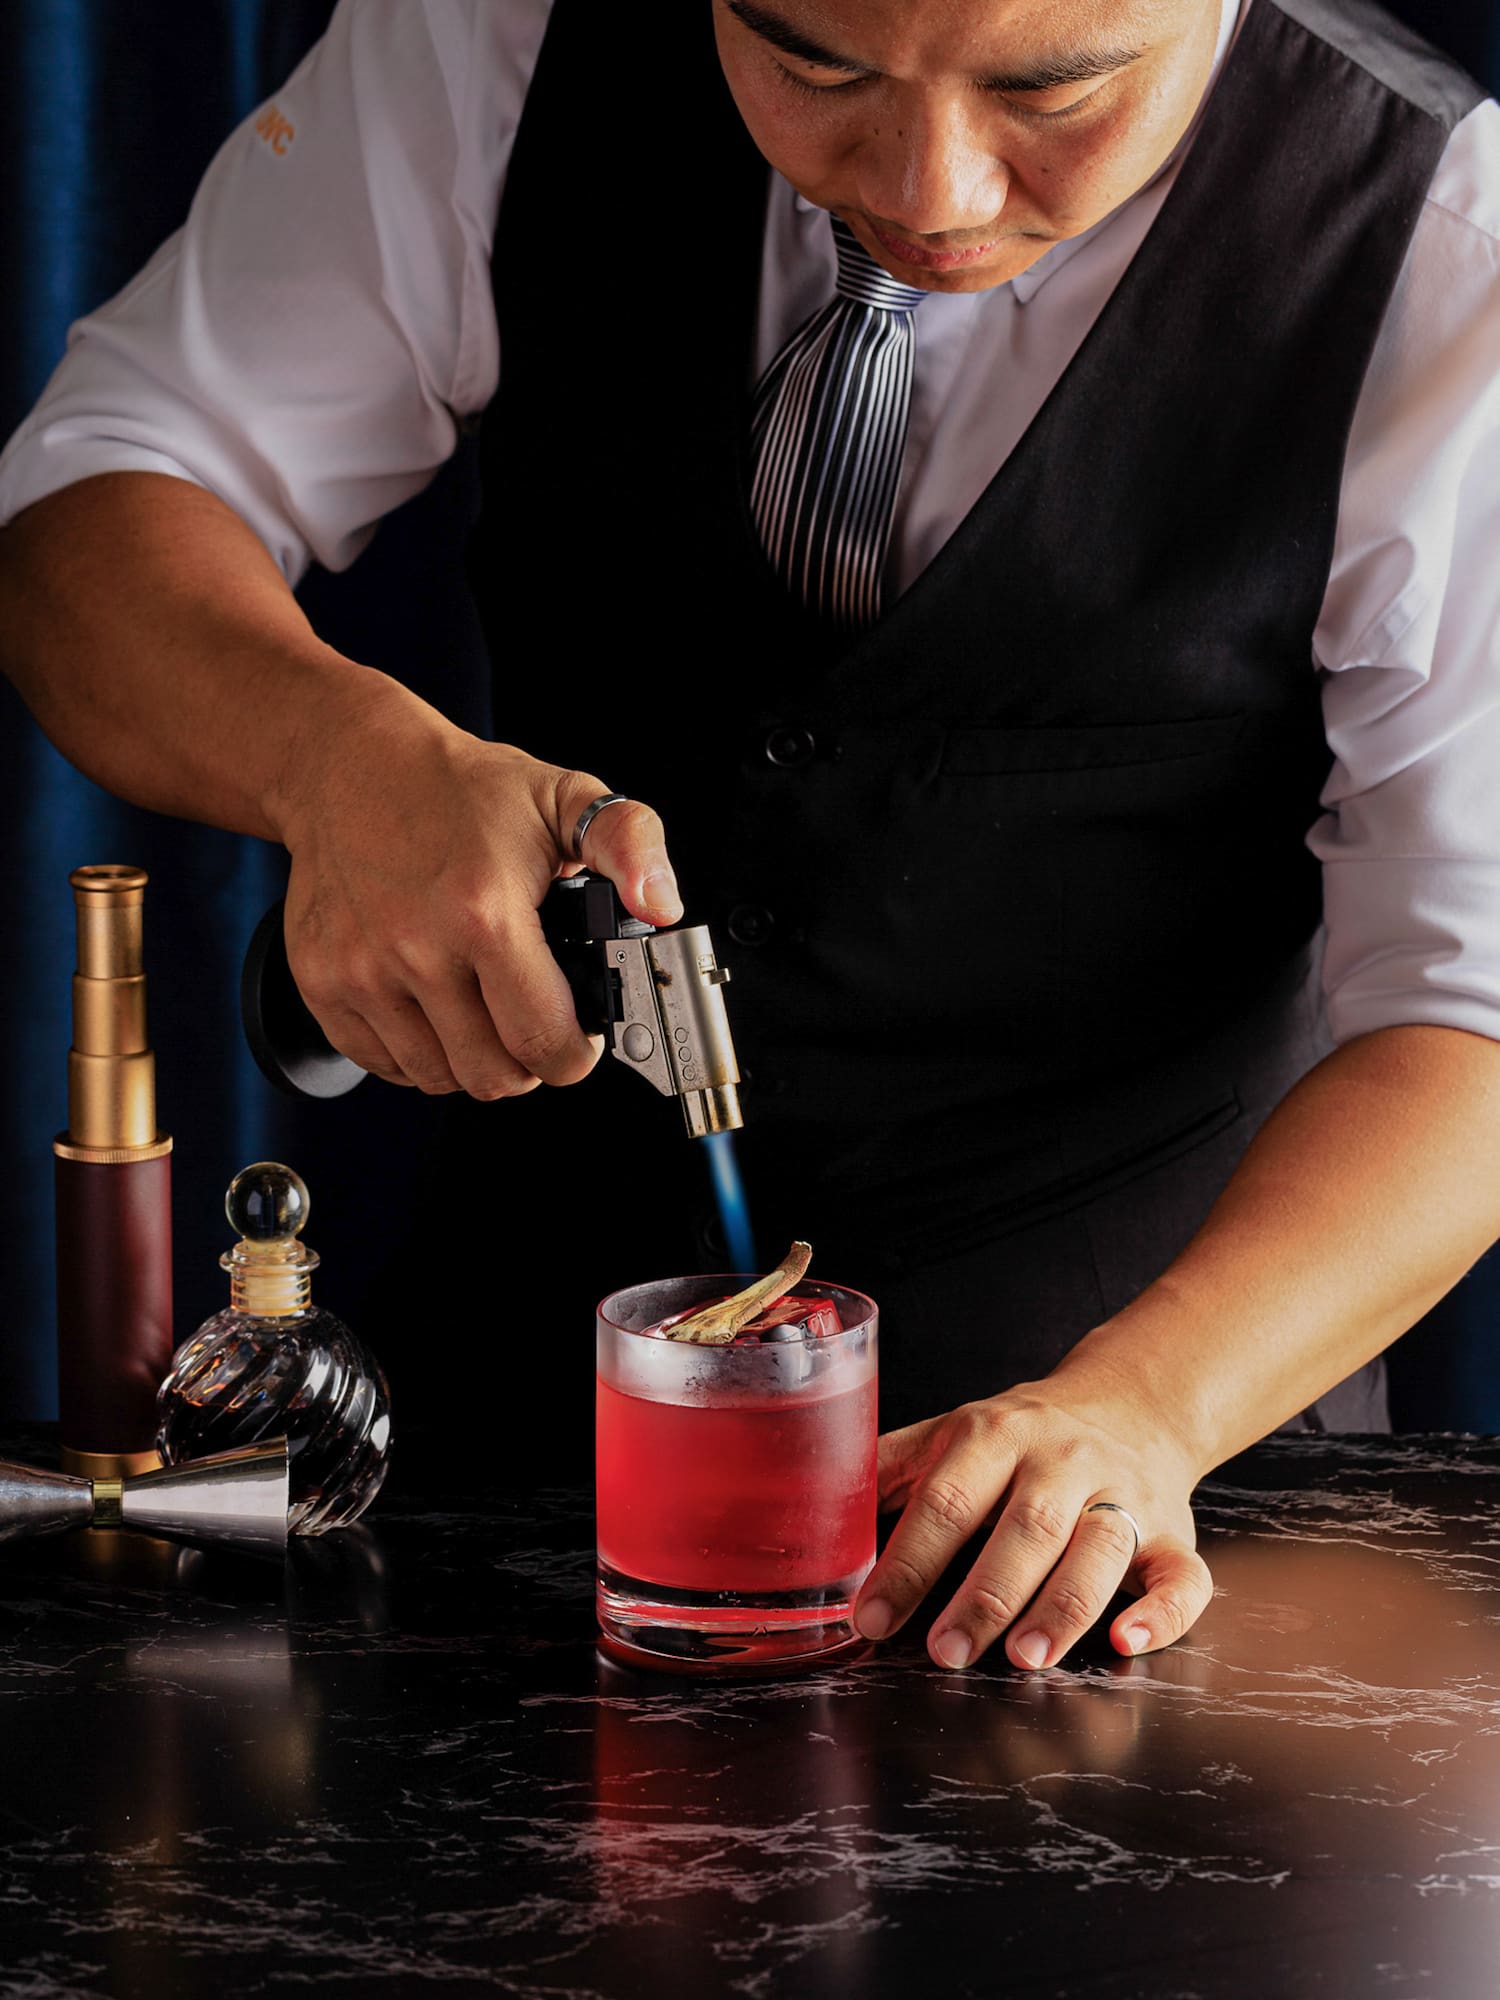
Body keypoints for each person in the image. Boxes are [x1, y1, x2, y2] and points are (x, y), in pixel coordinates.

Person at [2, 0, 1499, 1678]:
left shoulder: (1442, 242)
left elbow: (1473, 1014)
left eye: (1049, 86)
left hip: (1150, 1517)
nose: (930, 188)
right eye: (817, 67)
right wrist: (328, 755)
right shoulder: (502, 37)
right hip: (514, 1479)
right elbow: (104, 498)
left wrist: (1147, 1400)